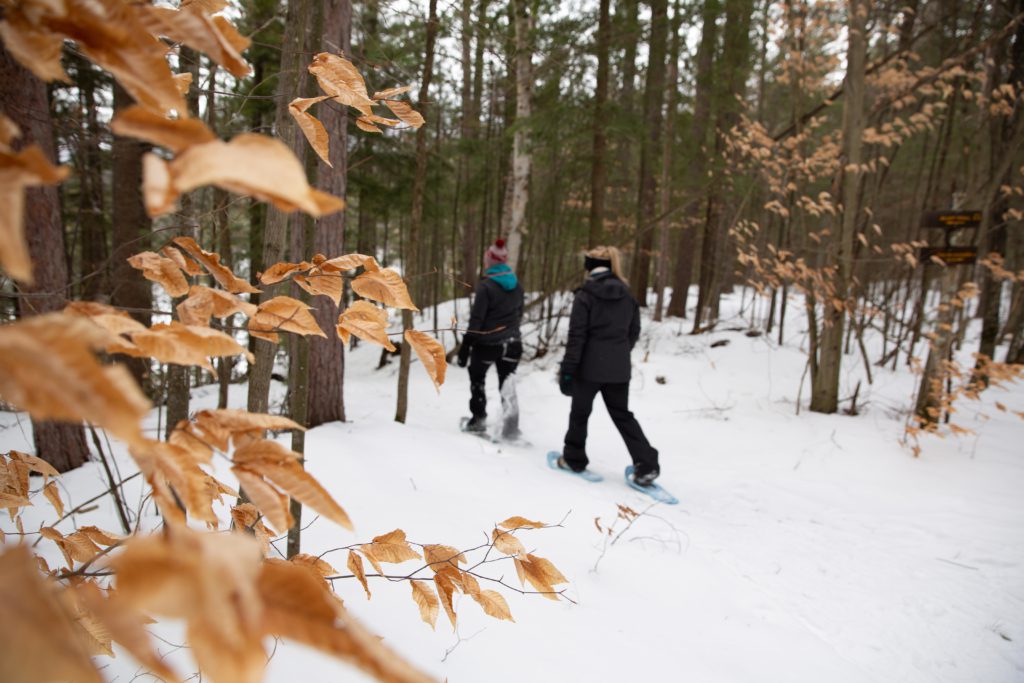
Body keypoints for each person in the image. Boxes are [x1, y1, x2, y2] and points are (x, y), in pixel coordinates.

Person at [555, 246, 660, 486]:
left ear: (589, 265)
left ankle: (574, 458)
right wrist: (618, 354)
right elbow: (633, 332)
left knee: (580, 414)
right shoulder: (627, 294)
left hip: (588, 369)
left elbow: (576, 336)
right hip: (618, 369)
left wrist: (568, 370)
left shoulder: (585, 295)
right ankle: (647, 465)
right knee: (623, 416)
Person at [457, 238, 524, 437]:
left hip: (488, 344)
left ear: (491, 262)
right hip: (513, 344)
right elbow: (519, 313)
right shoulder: (517, 285)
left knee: (477, 378)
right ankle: (511, 426)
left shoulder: (486, 287)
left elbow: (477, 320)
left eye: (487, 259)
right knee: (508, 382)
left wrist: (466, 346)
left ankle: (478, 419)